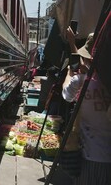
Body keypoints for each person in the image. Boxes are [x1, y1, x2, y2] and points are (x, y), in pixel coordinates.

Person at [62, 28, 111, 184]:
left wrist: (69, 74)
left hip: (88, 156)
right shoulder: (107, 83)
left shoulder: (81, 81)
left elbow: (67, 95)